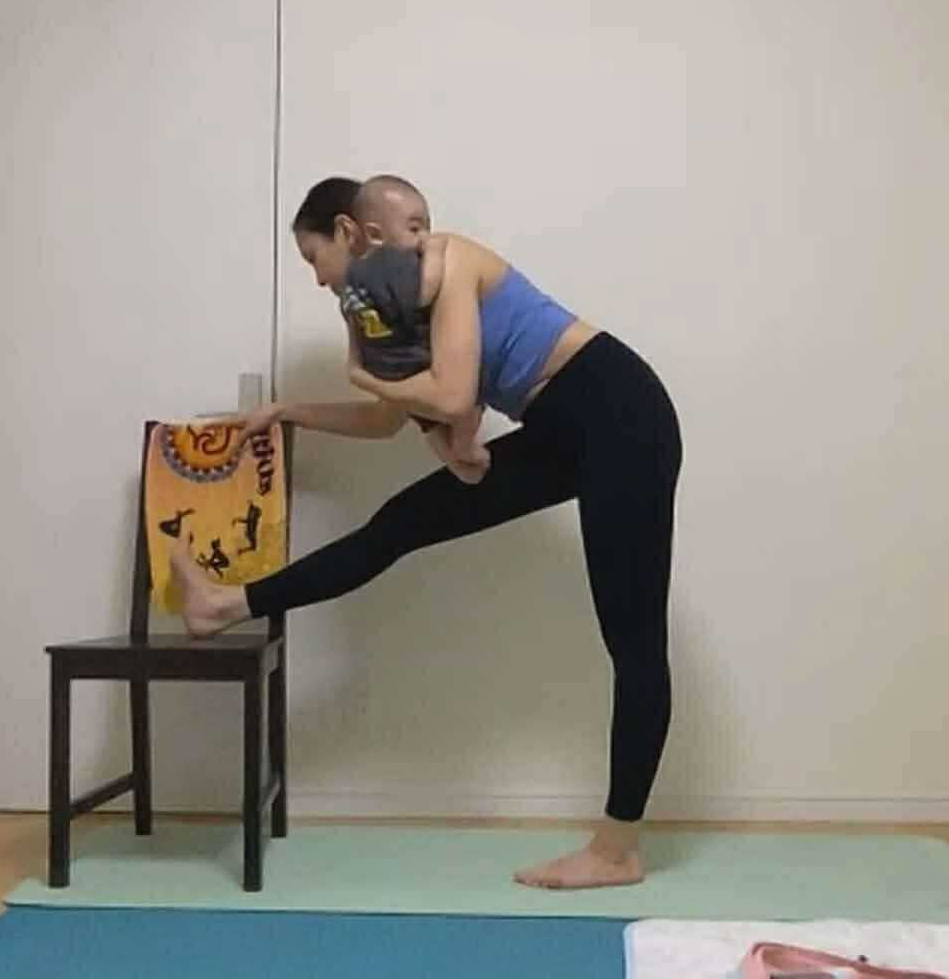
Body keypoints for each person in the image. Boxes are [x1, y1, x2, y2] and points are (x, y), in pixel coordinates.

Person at [170, 175, 683, 891]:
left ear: (351, 233)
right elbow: (388, 420)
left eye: (314, 257)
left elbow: (449, 394)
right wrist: (288, 412)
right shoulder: (381, 311)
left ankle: (618, 847)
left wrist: (363, 376)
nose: (316, 279)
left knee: (633, 641)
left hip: (623, 416)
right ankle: (225, 604)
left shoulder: (453, 262)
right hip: (564, 430)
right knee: (401, 523)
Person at [335, 176, 492, 482]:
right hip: (417, 365)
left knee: (427, 423)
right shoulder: (395, 260)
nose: (425, 237)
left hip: (387, 370)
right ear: (375, 235)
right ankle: (463, 446)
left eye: (428, 229)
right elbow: (423, 293)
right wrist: (436, 251)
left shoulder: (354, 275)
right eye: (415, 228)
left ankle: (456, 463)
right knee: (469, 398)